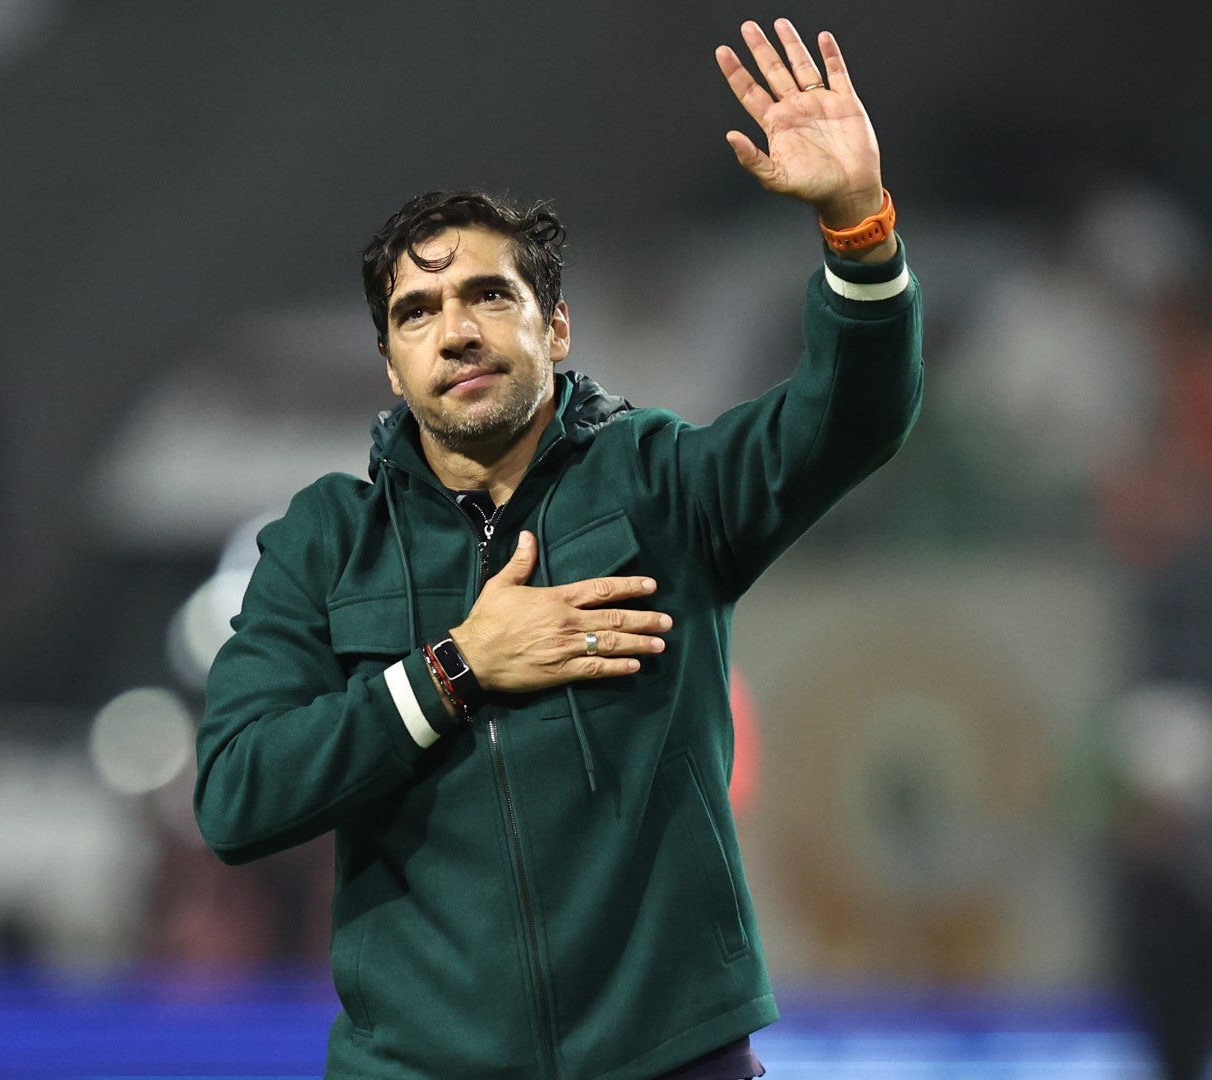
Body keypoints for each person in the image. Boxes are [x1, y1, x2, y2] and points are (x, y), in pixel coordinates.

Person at [195, 20, 920, 1080]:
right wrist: (455, 669)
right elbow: (238, 794)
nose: (455, 330)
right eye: (417, 312)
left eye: (490, 294)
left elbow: (851, 415)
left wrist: (857, 225)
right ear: (392, 368)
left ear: (559, 328)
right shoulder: (323, 542)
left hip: (671, 1059)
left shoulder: (662, 481)